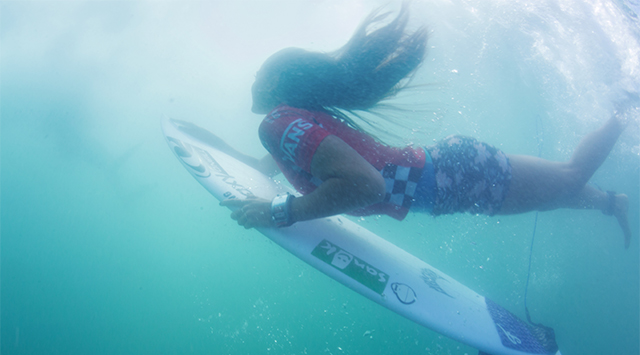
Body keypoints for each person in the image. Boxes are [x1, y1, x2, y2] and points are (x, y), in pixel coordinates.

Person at [212, 6, 634, 248]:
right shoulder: (290, 124)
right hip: (455, 174)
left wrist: (281, 212)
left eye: (256, 76)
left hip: (459, 179)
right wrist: (256, 167)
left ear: (272, 83)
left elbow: (368, 185)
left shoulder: (278, 122)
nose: (251, 83)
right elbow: (309, 155)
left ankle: (625, 101)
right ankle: (612, 203)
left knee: (569, 178)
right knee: (551, 193)